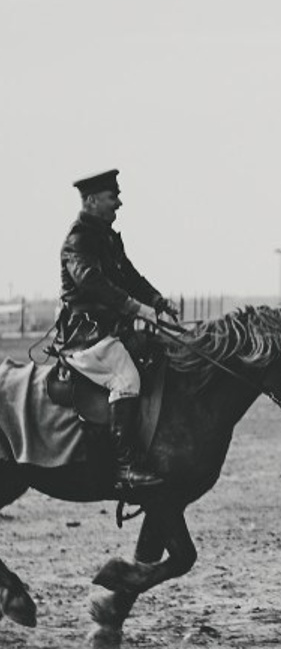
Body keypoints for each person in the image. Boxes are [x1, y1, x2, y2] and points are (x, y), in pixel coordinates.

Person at [55, 169, 178, 493]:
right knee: (127, 379)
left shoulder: (106, 237)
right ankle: (126, 467)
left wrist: (157, 301)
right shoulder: (79, 239)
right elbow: (91, 282)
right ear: (93, 200)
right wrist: (137, 309)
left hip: (111, 331)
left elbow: (130, 277)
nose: (119, 203)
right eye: (113, 197)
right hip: (86, 337)